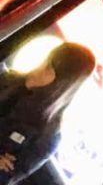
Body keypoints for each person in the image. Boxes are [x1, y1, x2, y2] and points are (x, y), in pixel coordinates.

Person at [0, 41, 96, 183]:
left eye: (49, 69)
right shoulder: (6, 78)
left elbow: (8, 176)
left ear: (63, 83)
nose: (39, 69)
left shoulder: (48, 135)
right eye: (45, 61)